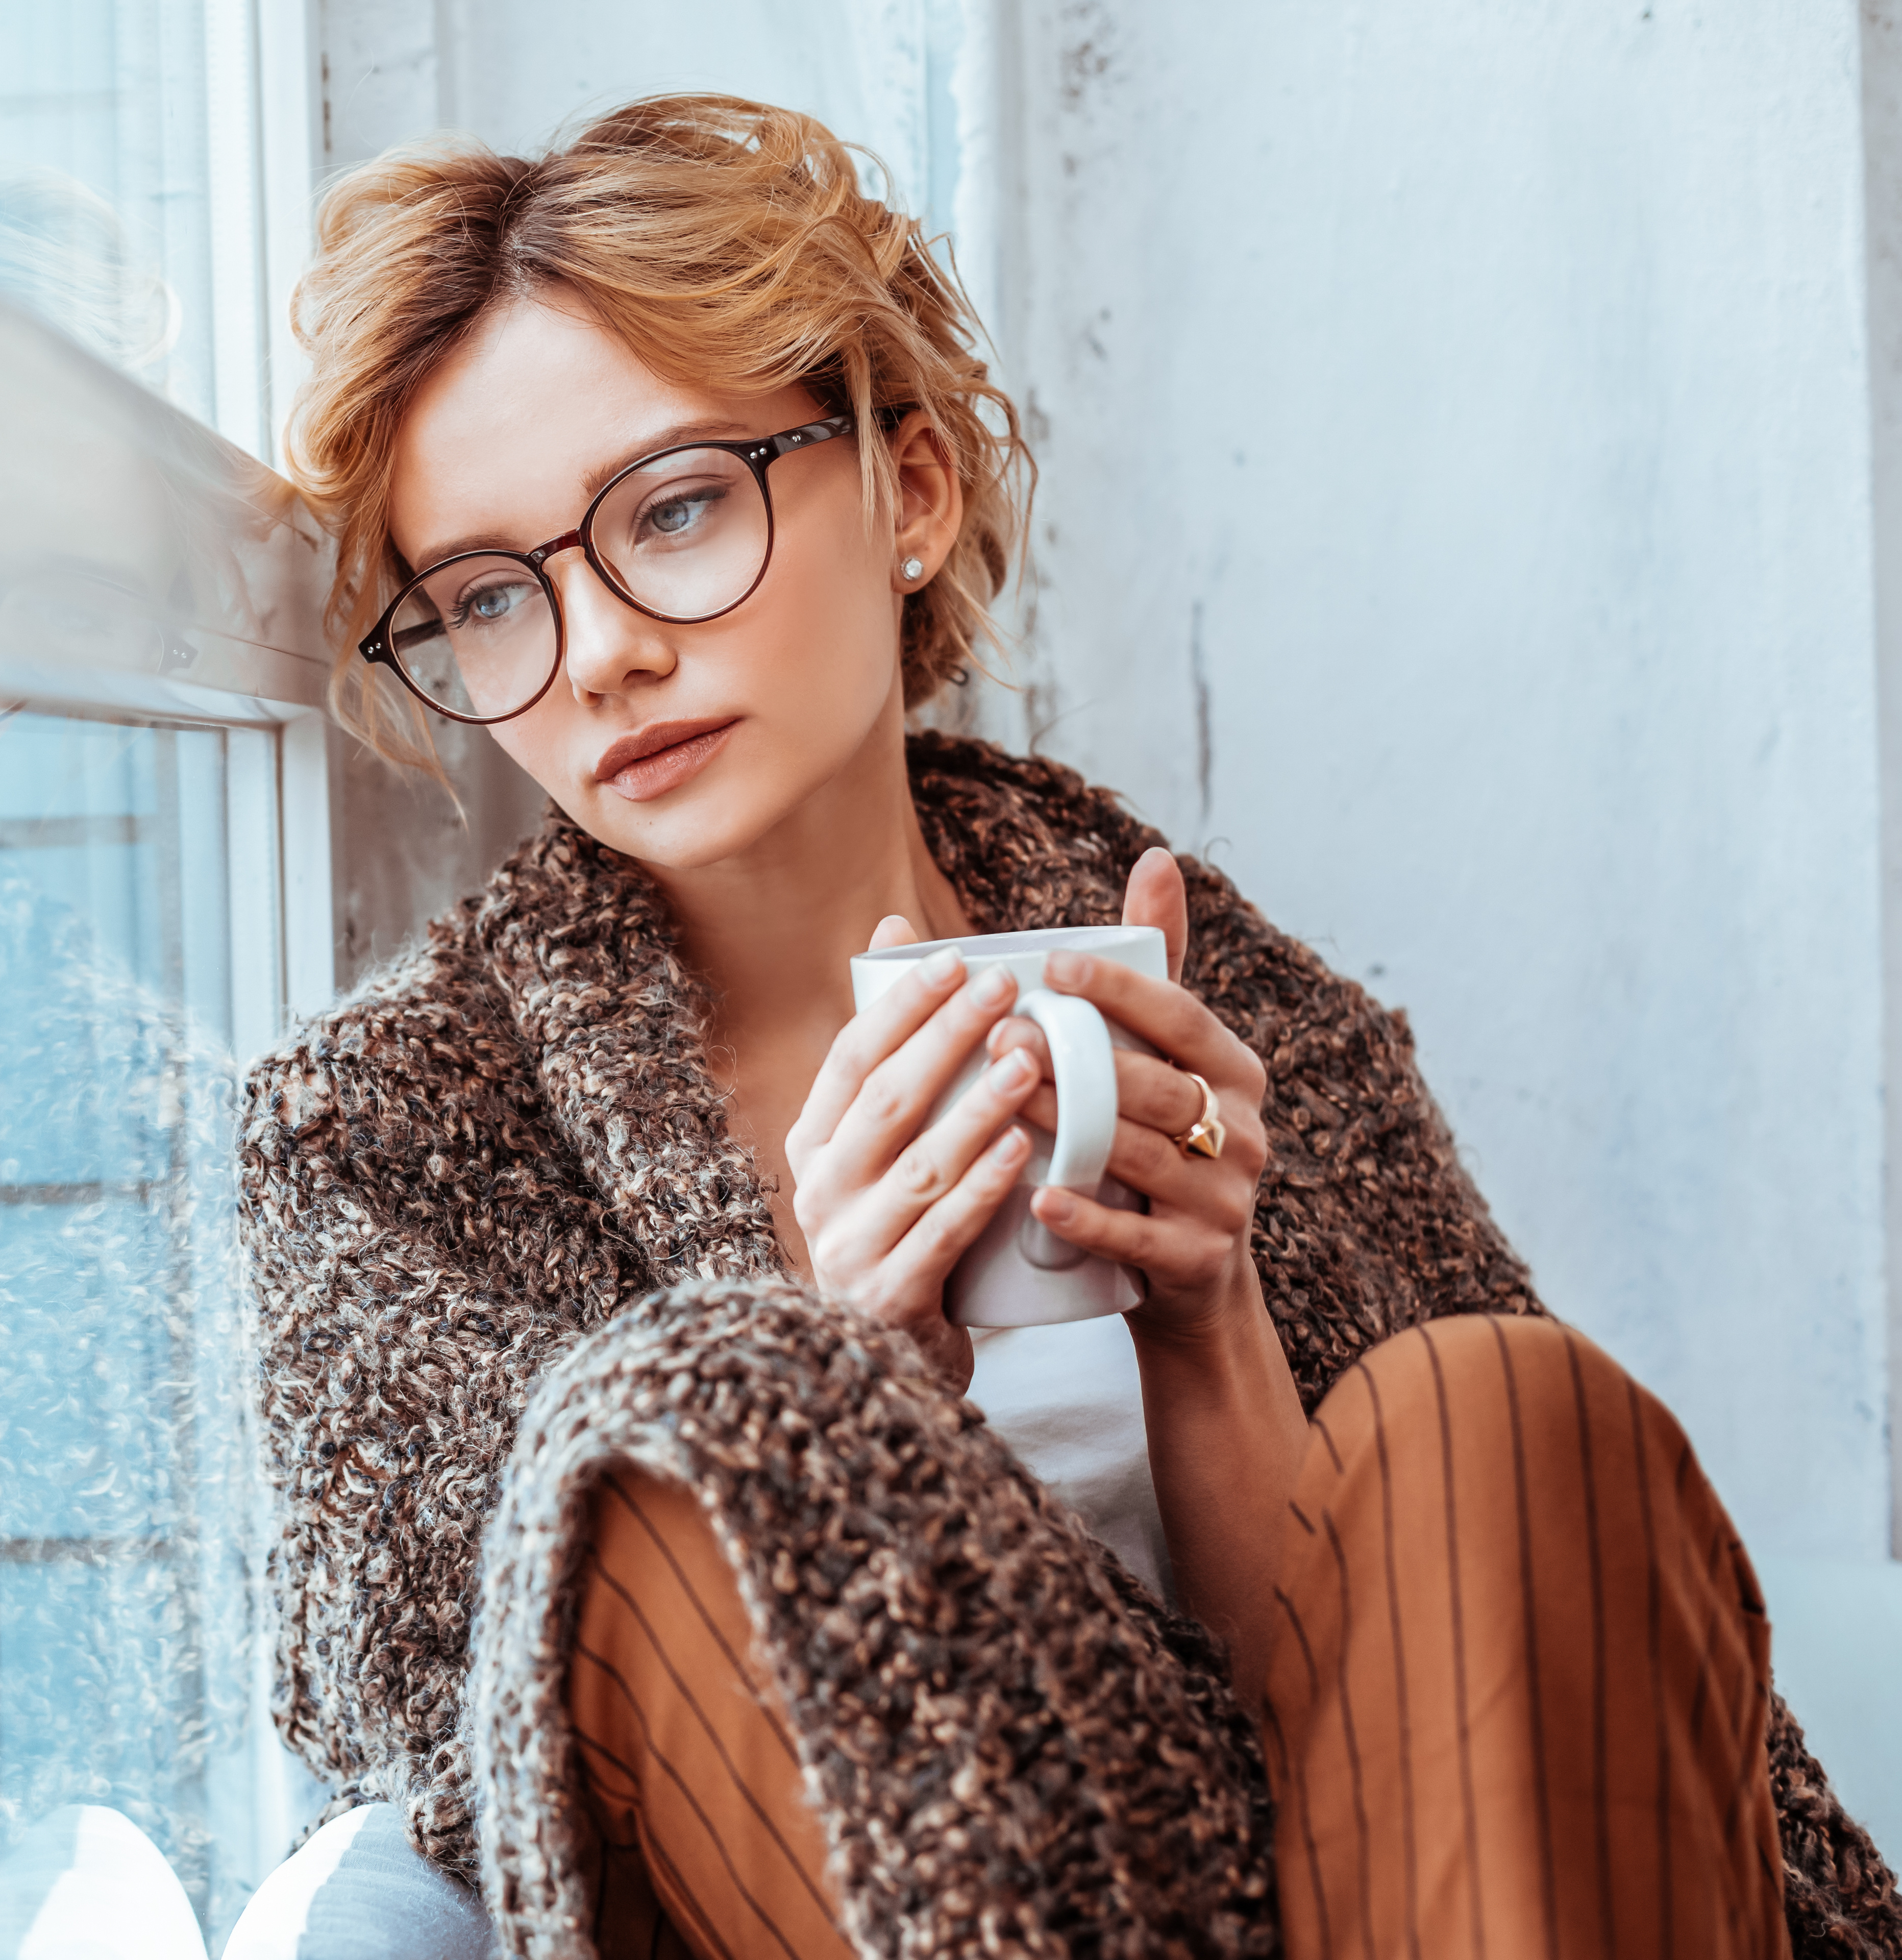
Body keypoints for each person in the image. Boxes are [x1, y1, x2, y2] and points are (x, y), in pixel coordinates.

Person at [235, 95, 1898, 1959]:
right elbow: (490, 1784)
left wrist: (1210, 1326)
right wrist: (844, 1382)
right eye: (489, 596)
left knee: (1496, 1408)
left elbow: (1437, 1728)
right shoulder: (385, 1137)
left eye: (676, 508)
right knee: (671, 1441)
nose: (603, 647)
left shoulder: (1264, 1026)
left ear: (910, 490)